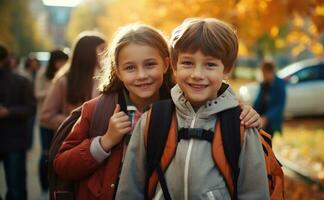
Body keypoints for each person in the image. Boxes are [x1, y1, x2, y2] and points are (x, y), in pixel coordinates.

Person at [53, 24, 262, 200]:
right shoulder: (97, 110)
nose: (142, 75)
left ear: (166, 64)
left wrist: (239, 108)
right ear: (117, 70)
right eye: (130, 68)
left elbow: (212, 100)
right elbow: (62, 165)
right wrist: (105, 141)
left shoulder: (177, 108)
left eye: (150, 64)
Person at [116, 18, 269, 199]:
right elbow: (129, 190)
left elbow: (255, 194)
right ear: (174, 66)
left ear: (226, 69)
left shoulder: (241, 126)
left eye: (210, 64)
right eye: (187, 63)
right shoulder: (152, 120)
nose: (197, 74)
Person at [40, 32, 106, 131]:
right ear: (88, 53)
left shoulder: (107, 78)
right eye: (102, 49)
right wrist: (77, 122)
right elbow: (46, 116)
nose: (106, 54)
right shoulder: (64, 80)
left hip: (103, 142)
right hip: (73, 142)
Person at [0, 44, 36, 200]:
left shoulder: (22, 81)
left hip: (14, 141)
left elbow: (31, 109)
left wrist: (8, 111)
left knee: (16, 189)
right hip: (14, 141)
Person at [35, 49, 68, 198]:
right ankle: (44, 186)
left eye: (64, 61)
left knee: (57, 154)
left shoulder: (65, 75)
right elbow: (36, 93)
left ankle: (54, 186)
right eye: (59, 61)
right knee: (45, 154)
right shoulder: (43, 74)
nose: (61, 64)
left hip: (59, 121)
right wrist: (52, 90)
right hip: (45, 121)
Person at [253, 61, 286, 140]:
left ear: (269, 72)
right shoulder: (264, 84)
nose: (262, 75)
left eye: (264, 73)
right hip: (260, 119)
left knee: (267, 143)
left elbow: (279, 106)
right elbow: (258, 102)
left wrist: (266, 117)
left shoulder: (279, 84)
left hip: (270, 122)